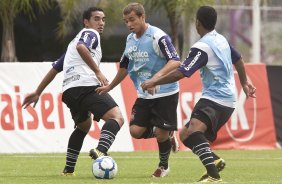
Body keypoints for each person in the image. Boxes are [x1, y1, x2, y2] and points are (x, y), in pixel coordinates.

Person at [141, 6, 256, 182]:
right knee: (185, 134)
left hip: (215, 98)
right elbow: (239, 59)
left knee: (193, 132)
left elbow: (181, 72)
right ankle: (214, 160)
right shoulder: (221, 39)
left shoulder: (202, 46)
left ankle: (214, 176)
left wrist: (154, 81)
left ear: (197, 23)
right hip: (227, 100)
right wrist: (244, 82)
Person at [22, 7, 124, 176]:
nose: (101, 23)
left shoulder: (70, 47)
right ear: (86, 22)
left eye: (103, 19)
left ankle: (68, 170)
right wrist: (98, 71)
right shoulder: (90, 34)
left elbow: (55, 68)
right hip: (85, 86)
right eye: (97, 19)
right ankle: (101, 150)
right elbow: (82, 48)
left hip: (69, 92)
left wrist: (38, 92)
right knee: (116, 117)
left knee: (84, 126)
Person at [96, 2, 180, 178]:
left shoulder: (158, 36)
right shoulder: (130, 39)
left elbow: (175, 61)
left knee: (160, 135)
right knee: (135, 131)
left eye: (132, 20)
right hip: (144, 94)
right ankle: (167, 132)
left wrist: (155, 79)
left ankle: (163, 166)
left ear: (142, 17)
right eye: (126, 21)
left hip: (165, 92)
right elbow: (125, 67)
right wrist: (110, 86)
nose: (129, 24)